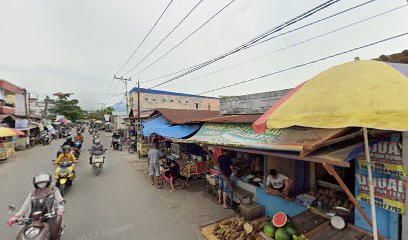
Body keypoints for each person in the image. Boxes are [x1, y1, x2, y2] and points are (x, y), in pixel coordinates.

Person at [7, 173, 65, 239]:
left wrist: (60, 210)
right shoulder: (33, 193)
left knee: (53, 233)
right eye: (40, 183)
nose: (42, 184)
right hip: (33, 218)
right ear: (35, 183)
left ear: (48, 182)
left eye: (44, 182)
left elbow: (60, 202)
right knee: (21, 234)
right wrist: (15, 217)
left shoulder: (54, 190)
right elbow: (24, 207)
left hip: (49, 216)